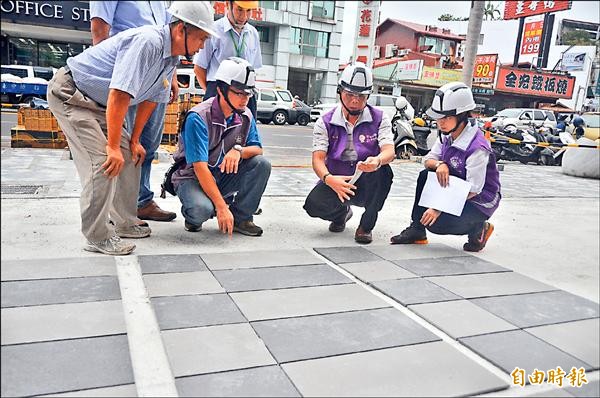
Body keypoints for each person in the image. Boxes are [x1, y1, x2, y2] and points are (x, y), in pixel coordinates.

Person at [46, 1, 217, 255]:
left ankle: (125, 221)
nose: (203, 45)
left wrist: (134, 139)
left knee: (130, 153)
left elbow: (151, 98)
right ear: (181, 30)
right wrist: (112, 146)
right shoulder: (148, 42)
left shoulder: (171, 57)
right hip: (72, 94)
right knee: (104, 160)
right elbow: (119, 94)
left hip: (99, 101)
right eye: (201, 38)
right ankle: (97, 236)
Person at [90, 1, 178, 222]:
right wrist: (111, 78)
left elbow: (171, 34)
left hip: (157, 73)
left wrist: (172, 76)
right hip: (127, 72)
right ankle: (117, 207)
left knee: (147, 144)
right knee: (121, 144)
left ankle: (141, 200)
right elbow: (100, 28)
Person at [390, 82, 501, 252]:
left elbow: (473, 189)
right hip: (455, 188)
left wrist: (437, 208)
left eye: (446, 117)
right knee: (425, 175)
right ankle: (417, 230)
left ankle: (479, 228)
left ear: (462, 116)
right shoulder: (447, 135)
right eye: (439, 117)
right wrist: (440, 164)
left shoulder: (477, 148)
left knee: (437, 224)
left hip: (479, 201)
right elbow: (428, 160)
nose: (440, 123)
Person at [171, 57, 271, 237]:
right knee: (201, 210)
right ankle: (193, 214)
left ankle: (242, 218)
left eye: (248, 94)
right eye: (239, 92)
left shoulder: (245, 115)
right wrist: (222, 207)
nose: (245, 99)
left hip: (221, 175)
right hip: (192, 178)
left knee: (261, 164)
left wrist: (238, 151)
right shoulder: (198, 117)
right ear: (221, 89)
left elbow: (257, 149)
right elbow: (200, 168)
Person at [303, 62, 395, 244]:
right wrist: (329, 179)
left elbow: (389, 151)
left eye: (361, 96)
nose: (355, 100)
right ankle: (341, 214)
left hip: (366, 176)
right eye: (350, 94)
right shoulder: (325, 121)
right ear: (340, 92)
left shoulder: (380, 117)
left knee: (384, 172)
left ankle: (365, 227)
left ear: (368, 96)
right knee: (313, 205)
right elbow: (318, 159)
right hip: (337, 178)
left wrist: (376, 161)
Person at [193, 0, 262, 118]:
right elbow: (199, 68)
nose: (244, 16)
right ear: (228, 5)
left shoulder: (253, 33)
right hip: (219, 90)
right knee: (215, 133)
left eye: (248, 11)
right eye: (239, 10)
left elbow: (254, 68)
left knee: (246, 132)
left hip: (246, 94)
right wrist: (215, 92)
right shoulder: (214, 30)